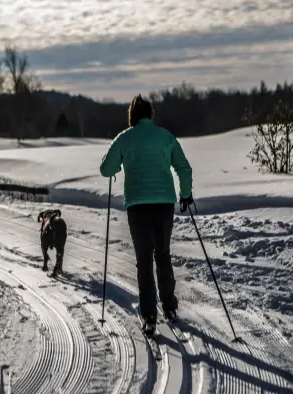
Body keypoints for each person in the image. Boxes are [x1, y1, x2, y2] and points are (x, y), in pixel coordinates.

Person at [99, 94, 193, 336]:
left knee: (144, 259)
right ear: (150, 115)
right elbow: (183, 167)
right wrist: (185, 194)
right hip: (164, 204)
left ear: (132, 116)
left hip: (138, 207)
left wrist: (118, 163)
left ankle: (149, 316)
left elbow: (106, 169)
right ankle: (170, 308)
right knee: (162, 255)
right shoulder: (165, 136)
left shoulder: (125, 138)